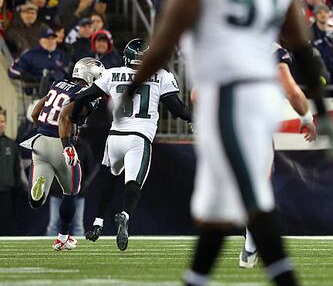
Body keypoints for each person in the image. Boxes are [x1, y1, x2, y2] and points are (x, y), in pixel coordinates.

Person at [120, 0, 333, 286]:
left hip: (228, 92)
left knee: (250, 195)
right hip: (259, 94)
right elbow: (302, 45)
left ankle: (285, 277)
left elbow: (164, 40)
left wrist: (132, 89)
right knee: (216, 208)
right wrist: (318, 108)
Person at [71, 39, 192, 251]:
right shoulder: (161, 75)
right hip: (139, 137)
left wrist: (76, 120)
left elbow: (83, 96)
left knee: (109, 178)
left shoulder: (111, 73)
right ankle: (125, 215)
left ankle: (97, 223)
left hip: (115, 136)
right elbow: (178, 110)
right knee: (133, 184)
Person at [239, 42, 318, 269]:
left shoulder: (220, 40)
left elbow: (196, 95)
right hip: (253, 124)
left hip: (223, 124)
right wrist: (307, 119)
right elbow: (291, 89)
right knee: (258, 185)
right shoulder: (269, 47)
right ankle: (252, 243)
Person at [21, 58, 104, 249]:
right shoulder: (86, 95)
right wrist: (67, 145)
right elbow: (65, 117)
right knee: (71, 191)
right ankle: (63, 237)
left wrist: (43, 131)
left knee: (37, 202)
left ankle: (37, 192)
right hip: (61, 144)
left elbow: (35, 113)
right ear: (90, 75)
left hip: (40, 141)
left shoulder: (58, 84)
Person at [0, 108, 25, 236]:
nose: (1, 124)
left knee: (6, 228)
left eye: (3, 121)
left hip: (6, 194)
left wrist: (17, 186)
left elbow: (17, 169)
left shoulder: (10, 144)